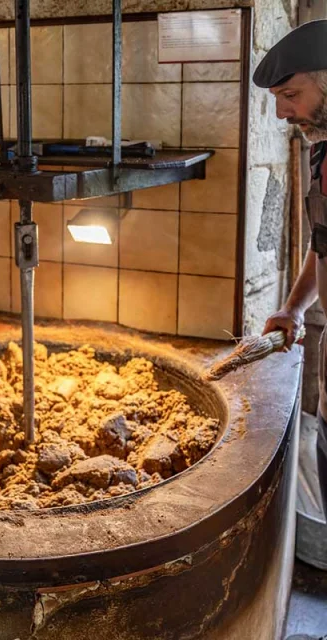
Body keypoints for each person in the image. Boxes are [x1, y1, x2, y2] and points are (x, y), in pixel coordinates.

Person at [254, 21, 327, 640]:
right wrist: (296, 306)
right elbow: (323, 243)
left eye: (291, 95)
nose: (282, 113)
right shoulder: (323, 147)